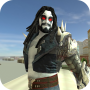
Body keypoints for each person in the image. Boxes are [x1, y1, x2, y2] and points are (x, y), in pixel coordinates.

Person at [23, 6, 90, 90]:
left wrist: (83, 81)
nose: (47, 21)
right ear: (38, 19)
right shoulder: (29, 40)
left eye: (50, 19)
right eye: (43, 17)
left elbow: (77, 70)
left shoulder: (60, 38)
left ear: (53, 21)